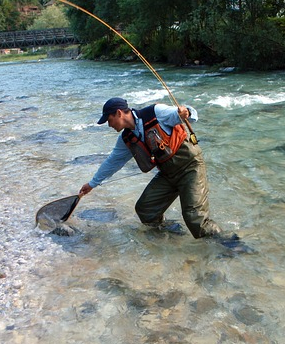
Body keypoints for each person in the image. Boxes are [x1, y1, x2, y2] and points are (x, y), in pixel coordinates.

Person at [80, 97, 238, 242]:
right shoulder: (126, 139)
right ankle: (170, 234)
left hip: (190, 167)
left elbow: (191, 114)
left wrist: (187, 112)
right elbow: (112, 162)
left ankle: (229, 244)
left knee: (194, 217)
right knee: (145, 209)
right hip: (168, 174)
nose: (109, 125)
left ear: (119, 113)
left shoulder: (156, 112)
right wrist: (92, 184)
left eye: (109, 119)